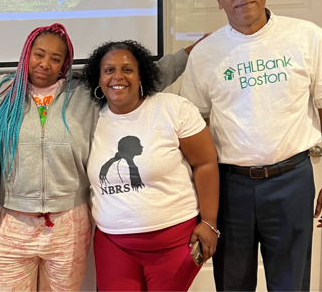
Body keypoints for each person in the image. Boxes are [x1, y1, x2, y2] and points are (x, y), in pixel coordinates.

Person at [0, 23, 198, 291]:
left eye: (55, 58)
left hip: (68, 226)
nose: (45, 63)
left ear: (65, 63)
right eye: (39, 54)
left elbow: (145, 73)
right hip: (12, 224)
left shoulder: (85, 95)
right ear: (26, 54)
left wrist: (191, 51)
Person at [179, 0, 322, 292]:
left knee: (291, 282)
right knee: (232, 282)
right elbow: (191, 129)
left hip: (292, 181)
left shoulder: (307, 37)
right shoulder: (204, 54)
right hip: (231, 188)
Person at [81, 40, 219, 291]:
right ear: (99, 79)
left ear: (141, 75)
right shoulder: (90, 118)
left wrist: (209, 222)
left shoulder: (172, 109)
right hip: (114, 246)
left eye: (128, 69)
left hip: (175, 243)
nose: (118, 77)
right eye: (109, 70)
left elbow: (205, 164)